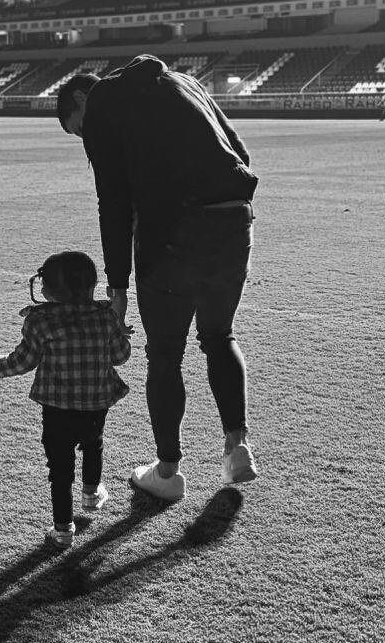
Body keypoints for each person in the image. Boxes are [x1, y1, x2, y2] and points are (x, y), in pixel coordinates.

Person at [57, 55, 258, 503]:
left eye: (80, 129)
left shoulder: (104, 102)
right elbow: (239, 152)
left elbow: (113, 201)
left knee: (165, 354)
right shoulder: (185, 81)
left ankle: (168, 473)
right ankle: (237, 446)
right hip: (234, 220)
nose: (87, 139)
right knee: (219, 335)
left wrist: (117, 287)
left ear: (82, 97)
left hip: (172, 232)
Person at [0, 250, 132, 549]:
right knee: (94, 443)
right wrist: (118, 334)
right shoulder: (106, 316)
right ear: (91, 286)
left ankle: (63, 530)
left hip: (56, 408)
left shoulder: (41, 320)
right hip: (96, 401)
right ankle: (91, 494)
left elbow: (23, 361)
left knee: (60, 469)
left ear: (49, 289)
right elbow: (120, 356)